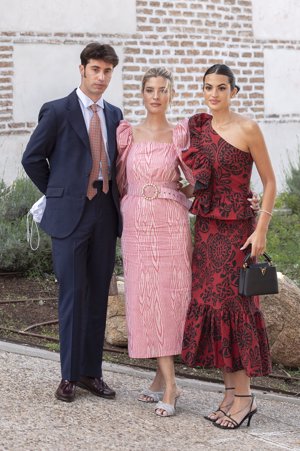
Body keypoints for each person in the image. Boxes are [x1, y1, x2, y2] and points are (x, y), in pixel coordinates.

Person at [22, 43, 123, 402]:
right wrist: (60, 193)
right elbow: (32, 158)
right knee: (72, 295)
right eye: (95, 69)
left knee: (98, 296)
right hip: (70, 217)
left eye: (107, 71)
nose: (101, 77)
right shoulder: (58, 111)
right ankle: (68, 375)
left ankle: (90, 373)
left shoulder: (114, 114)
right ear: (82, 69)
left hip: (105, 214)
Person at [181, 64, 276, 429]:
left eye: (222, 87)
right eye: (208, 87)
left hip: (238, 230)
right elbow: (197, 184)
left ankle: (245, 397)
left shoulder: (248, 128)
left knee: (235, 306)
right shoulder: (198, 127)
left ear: (234, 91)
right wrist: (180, 185)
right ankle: (227, 393)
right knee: (212, 306)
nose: (214, 94)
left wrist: (262, 229)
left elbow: (269, 183)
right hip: (205, 229)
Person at [116, 67, 195, 417]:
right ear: (142, 93)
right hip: (135, 225)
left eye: (163, 90)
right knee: (144, 299)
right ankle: (159, 379)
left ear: (171, 94)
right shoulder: (127, 133)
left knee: (169, 299)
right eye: (150, 89)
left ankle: (172, 385)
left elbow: (194, 182)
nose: (156, 96)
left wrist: (180, 190)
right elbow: (120, 180)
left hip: (170, 224)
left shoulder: (180, 135)